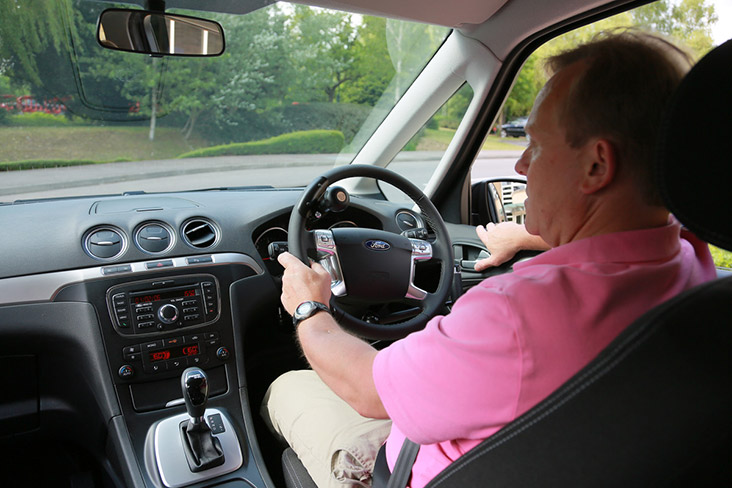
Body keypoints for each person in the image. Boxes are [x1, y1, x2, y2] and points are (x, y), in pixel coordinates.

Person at [262, 30, 716, 488]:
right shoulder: (697, 271)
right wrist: (529, 236)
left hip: (402, 473)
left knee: (285, 387)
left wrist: (310, 308)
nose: (520, 165)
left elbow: (365, 388)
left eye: (535, 145)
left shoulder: (518, 313)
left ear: (597, 166)